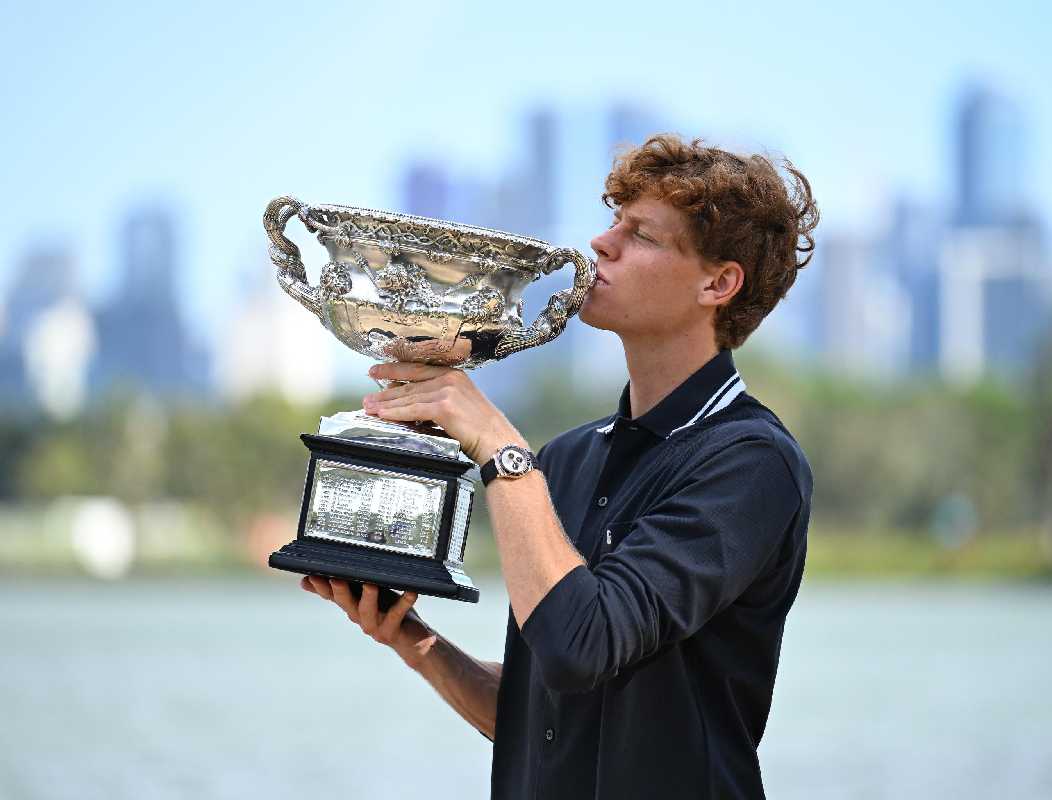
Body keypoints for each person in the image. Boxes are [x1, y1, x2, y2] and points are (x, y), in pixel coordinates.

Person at [301, 133, 818, 799]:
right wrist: (417, 642)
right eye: (613, 222)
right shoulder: (569, 459)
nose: (602, 243)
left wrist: (498, 446)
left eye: (641, 234)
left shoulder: (750, 463)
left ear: (718, 283)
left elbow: (582, 645)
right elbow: (537, 722)